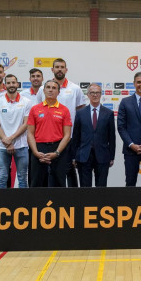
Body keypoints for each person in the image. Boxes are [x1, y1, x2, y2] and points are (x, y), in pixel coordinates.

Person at [41, 58, 87, 187]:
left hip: (70, 136)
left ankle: (72, 197)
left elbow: (80, 112)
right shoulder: (43, 89)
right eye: (57, 67)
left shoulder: (75, 88)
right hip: (50, 137)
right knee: (51, 169)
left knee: (70, 168)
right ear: (52, 69)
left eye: (62, 67)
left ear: (66, 70)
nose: (59, 69)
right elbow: (41, 109)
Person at [27, 80, 72, 187]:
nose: (51, 90)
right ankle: (36, 204)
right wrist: (36, 152)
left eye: (54, 88)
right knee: (36, 184)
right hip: (38, 149)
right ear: (44, 90)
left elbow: (67, 135)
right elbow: (30, 134)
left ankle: (59, 204)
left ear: (58, 92)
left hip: (58, 149)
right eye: (48, 87)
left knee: (59, 183)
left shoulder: (64, 110)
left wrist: (56, 153)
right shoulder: (35, 109)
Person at [0, 74, 32, 188]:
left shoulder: (26, 102)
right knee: (2, 177)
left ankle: (23, 205)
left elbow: (26, 123)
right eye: (8, 83)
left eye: (13, 83)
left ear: (17, 84)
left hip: (21, 145)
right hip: (1, 146)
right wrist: (6, 141)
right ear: (5, 85)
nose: (11, 85)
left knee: (22, 178)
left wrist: (10, 139)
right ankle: (1, 204)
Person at [71, 83, 116, 187]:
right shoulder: (80, 113)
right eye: (92, 93)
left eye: (97, 93)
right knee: (85, 188)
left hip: (103, 156)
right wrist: (73, 157)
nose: (95, 95)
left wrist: (111, 156)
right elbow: (76, 136)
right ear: (88, 94)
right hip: (83, 156)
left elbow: (112, 137)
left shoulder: (108, 113)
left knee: (101, 188)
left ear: (101, 94)